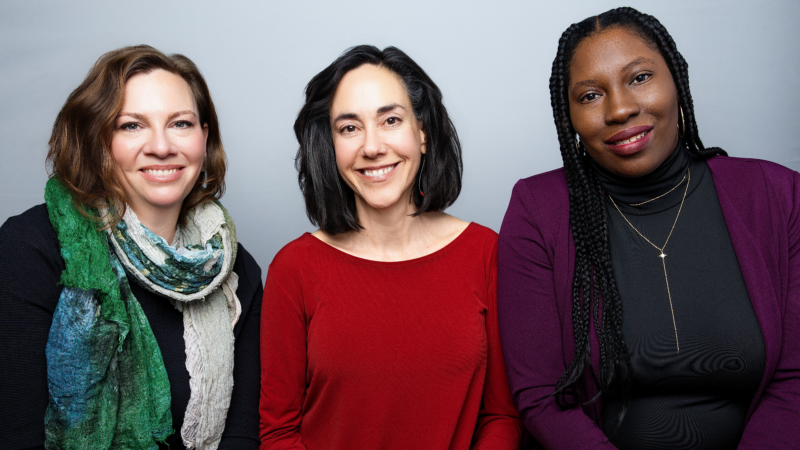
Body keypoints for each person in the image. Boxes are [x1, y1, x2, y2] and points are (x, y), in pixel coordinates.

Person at [497, 7, 799, 450]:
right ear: (569, 118)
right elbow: (543, 395)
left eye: (639, 78)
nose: (620, 109)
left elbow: (795, 376)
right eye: (589, 96)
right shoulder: (537, 210)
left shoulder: (777, 194)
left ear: (676, 79)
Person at [259, 45, 522, 450]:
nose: (372, 146)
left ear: (422, 134)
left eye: (391, 120)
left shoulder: (484, 252)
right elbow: (278, 434)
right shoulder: (294, 268)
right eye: (349, 128)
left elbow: (501, 417)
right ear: (329, 147)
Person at [0, 45, 262, 450]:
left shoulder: (234, 268)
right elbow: (19, 438)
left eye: (180, 124)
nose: (161, 146)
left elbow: (240, 436)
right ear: (98, 138)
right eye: (131, 126)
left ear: (203, 137)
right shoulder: (31, 248)